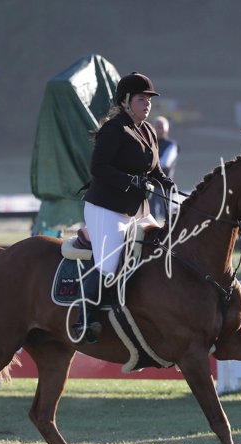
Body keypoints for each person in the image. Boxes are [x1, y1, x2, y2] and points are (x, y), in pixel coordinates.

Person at [73, 72, 174, 343]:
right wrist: (130, 180)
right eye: (142, 99)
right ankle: (84, 318)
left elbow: (154, 168)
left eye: (149, 100)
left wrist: (164, 181)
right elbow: (98, 167)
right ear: (126, 101)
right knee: (109, 263)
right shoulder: (114, 129)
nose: (147, 104)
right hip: (107, 208)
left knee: (161, 249)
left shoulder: (148, 130)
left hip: (137, 210)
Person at [148, 115, 179, 220]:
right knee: (150, 215)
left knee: (165, 215)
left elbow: (166, 162)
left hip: (163, 186)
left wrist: (147, 164)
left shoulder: (172, 145)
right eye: (157, 127)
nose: (159, 130)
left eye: (162, 127)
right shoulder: (149, 144)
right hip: (149, 185)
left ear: (167, 129)